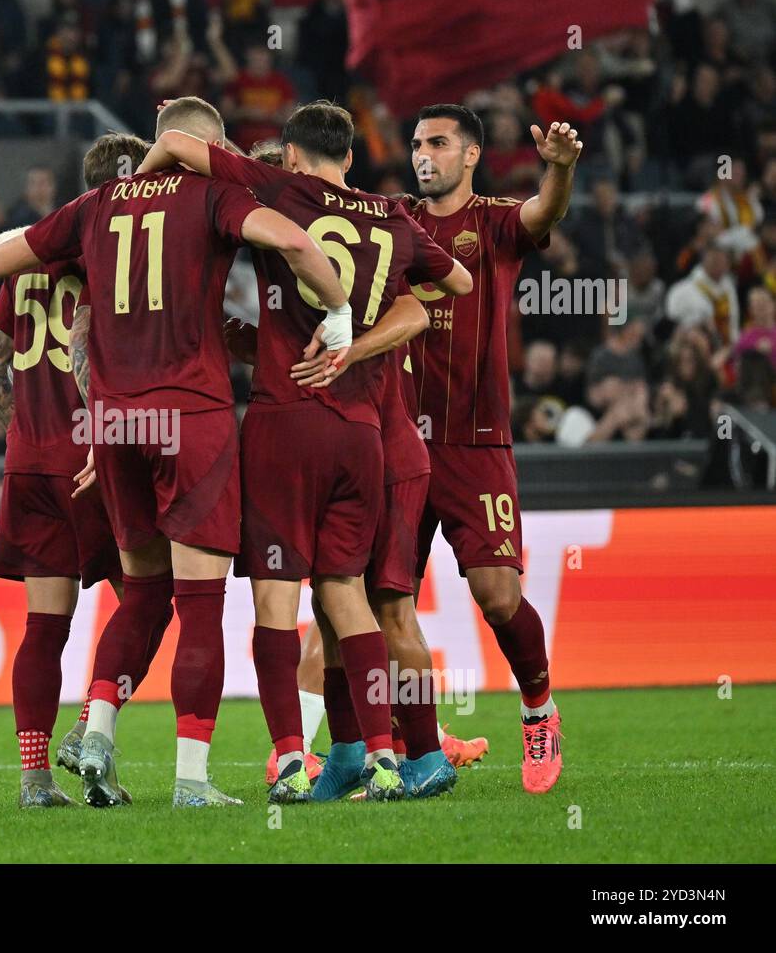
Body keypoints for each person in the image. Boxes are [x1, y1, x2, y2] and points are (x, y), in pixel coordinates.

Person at [0, 96, 351, 809]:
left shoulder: (95, 205)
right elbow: (299, 244)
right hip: (191, 416)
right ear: (206, 147)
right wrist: (336, 316)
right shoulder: (215, 196)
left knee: (143, 593)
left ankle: (96, 729)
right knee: (200, 604)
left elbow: (0, 257)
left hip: (116, 424)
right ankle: (189, 780)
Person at [139, 101, 472, 803]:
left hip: (285, 416)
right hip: (362, 433)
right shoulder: (390, 213)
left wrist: (130, 195)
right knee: (349, 597)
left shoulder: (278, 188)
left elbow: (174, 141)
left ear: (291, 155)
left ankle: (292, 759)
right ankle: (384, 758)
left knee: (275, 597)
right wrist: (361, 338)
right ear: (349, 157)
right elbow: (459, 284)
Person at [0, 132, 172, 808]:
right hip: (91, 464)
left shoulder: (26, 258)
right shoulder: (105, 249)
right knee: (153, 599)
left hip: (28, 465)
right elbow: (87, 344)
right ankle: (92, 729)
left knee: (44, 627)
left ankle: (35, 780)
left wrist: (25, 431)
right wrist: (92, 438)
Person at [407, 104, 581, 793]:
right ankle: (418, 742)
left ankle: (539, 712)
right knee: (379, 599)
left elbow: (546, 213)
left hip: (475, 442)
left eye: (440, 143)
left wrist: (560, 171)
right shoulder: (394, 219)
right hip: (396, 444)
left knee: (497, 592)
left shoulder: (494, 221)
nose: (425, 154)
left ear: (471, 155)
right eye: (418, 143)